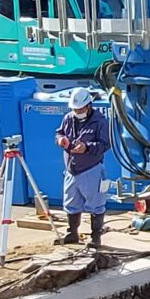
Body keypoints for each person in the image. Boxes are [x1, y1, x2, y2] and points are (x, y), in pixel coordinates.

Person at [54, 86, 112, 246]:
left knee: (96, 204)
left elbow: (105, 144)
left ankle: (96, 237)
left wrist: (86, 147)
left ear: (88, 106)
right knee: (71, 203)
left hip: (91, 169)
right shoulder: (68, 118)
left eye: (80, 109)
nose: (77, 111)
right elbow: (59, 132)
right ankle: (72, 233)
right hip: (71, 169)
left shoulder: (100, 122)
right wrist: (60, 140)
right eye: (75, 109)